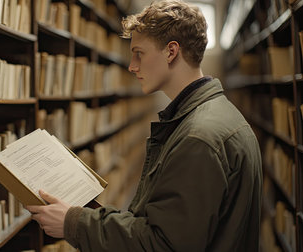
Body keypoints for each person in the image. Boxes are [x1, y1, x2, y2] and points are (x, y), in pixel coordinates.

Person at [26, 0, 263, 251]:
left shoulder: (198, 138)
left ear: (171, 52)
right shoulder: (214, 115)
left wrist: (73, 223)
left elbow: (162, 244)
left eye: (139, 53)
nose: (131, 66)